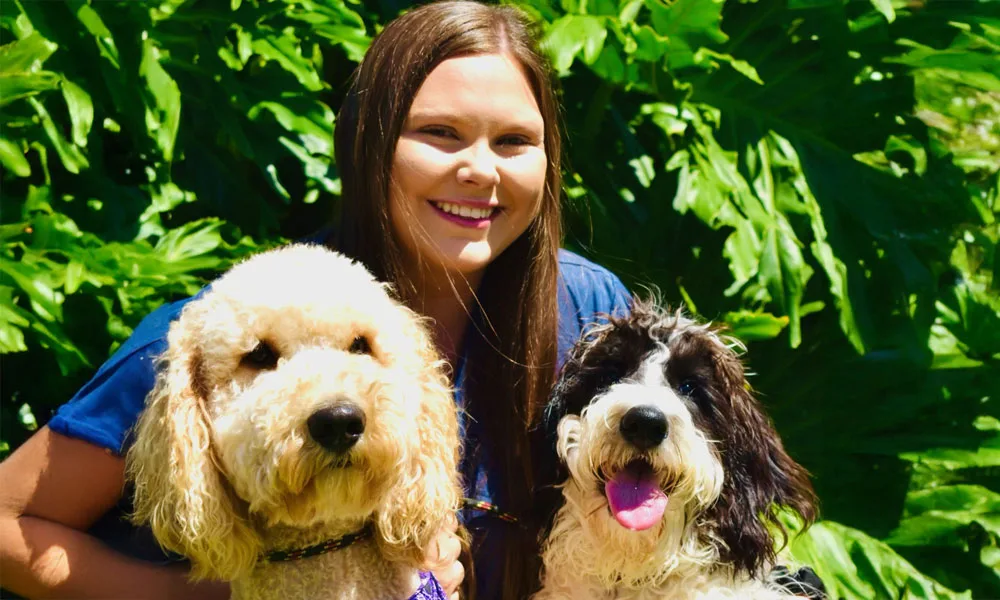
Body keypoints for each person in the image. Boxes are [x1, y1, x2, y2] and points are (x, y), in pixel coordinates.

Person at [0, 2, 631, 599]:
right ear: (368, 145)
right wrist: (215, 594)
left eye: (515, 141)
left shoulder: (590, 309)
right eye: (440, 133)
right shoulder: (231, 331)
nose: (481, 170)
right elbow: (8, 524)